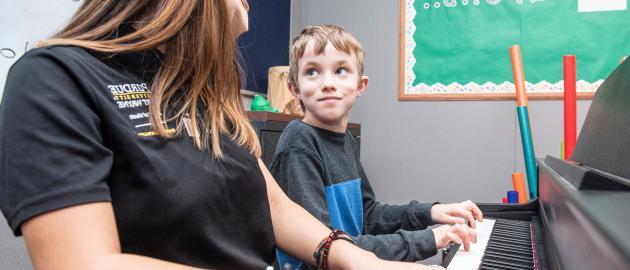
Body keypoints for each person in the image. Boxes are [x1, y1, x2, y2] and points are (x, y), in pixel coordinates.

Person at [0, 1, 438, 269]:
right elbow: (82, 263)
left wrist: (359, 260)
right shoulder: (55, 78)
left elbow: (275, 206)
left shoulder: (206, 99)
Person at [271, 25, 483, 269]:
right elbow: (327, 248)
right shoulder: (299, 141)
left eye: (340, 70)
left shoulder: (346, 141)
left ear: (360, 85)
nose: (327, 83)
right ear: (294, 88)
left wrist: (431, 213)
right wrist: (429, 238)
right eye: (312, 72)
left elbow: (368, 215)